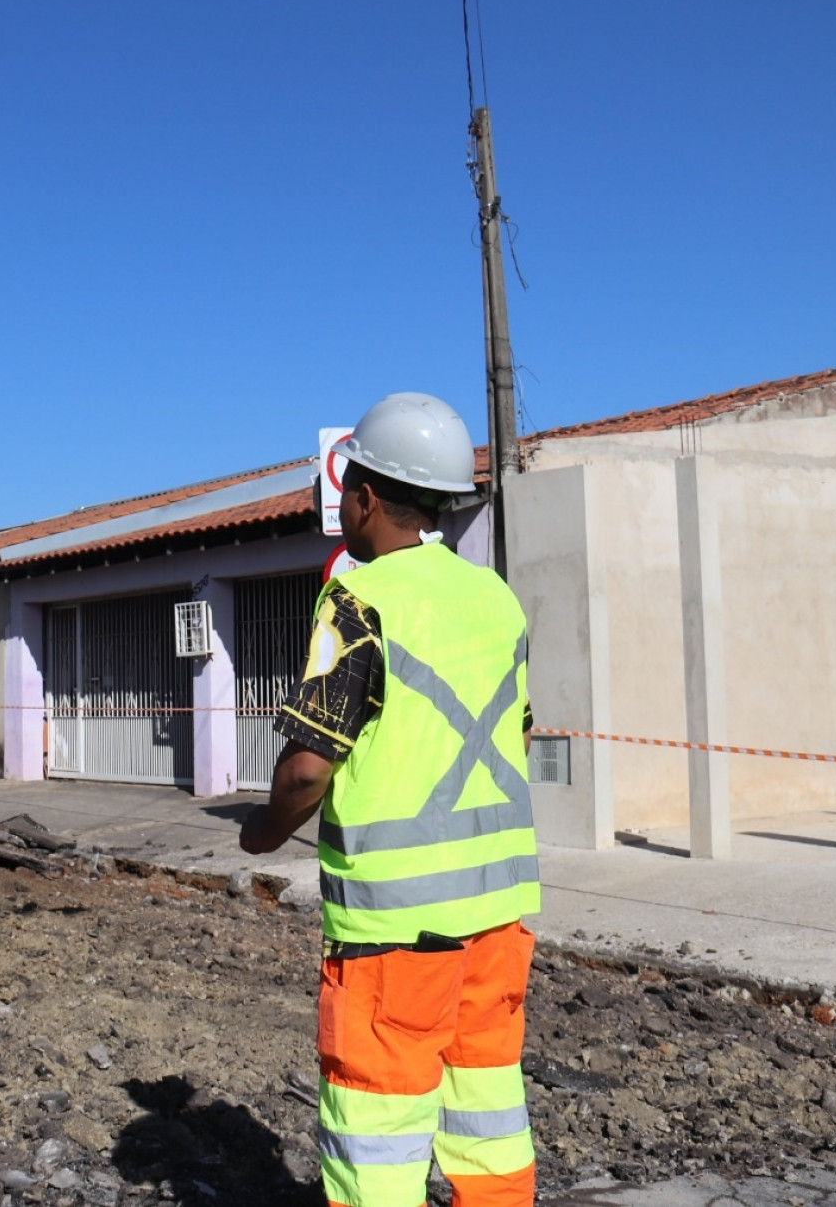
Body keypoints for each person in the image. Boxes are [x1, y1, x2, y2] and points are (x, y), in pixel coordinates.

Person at [239, 392, 540, 1207]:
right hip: (499, 916)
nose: (339, 504)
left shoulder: (359, 600)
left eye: (345, 489)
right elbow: (512, 726)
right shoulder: (495, 599)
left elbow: (307, 767)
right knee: (487, 1111)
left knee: (376, 1124)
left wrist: (262, 834)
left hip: (396, 930)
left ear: (367, 496)